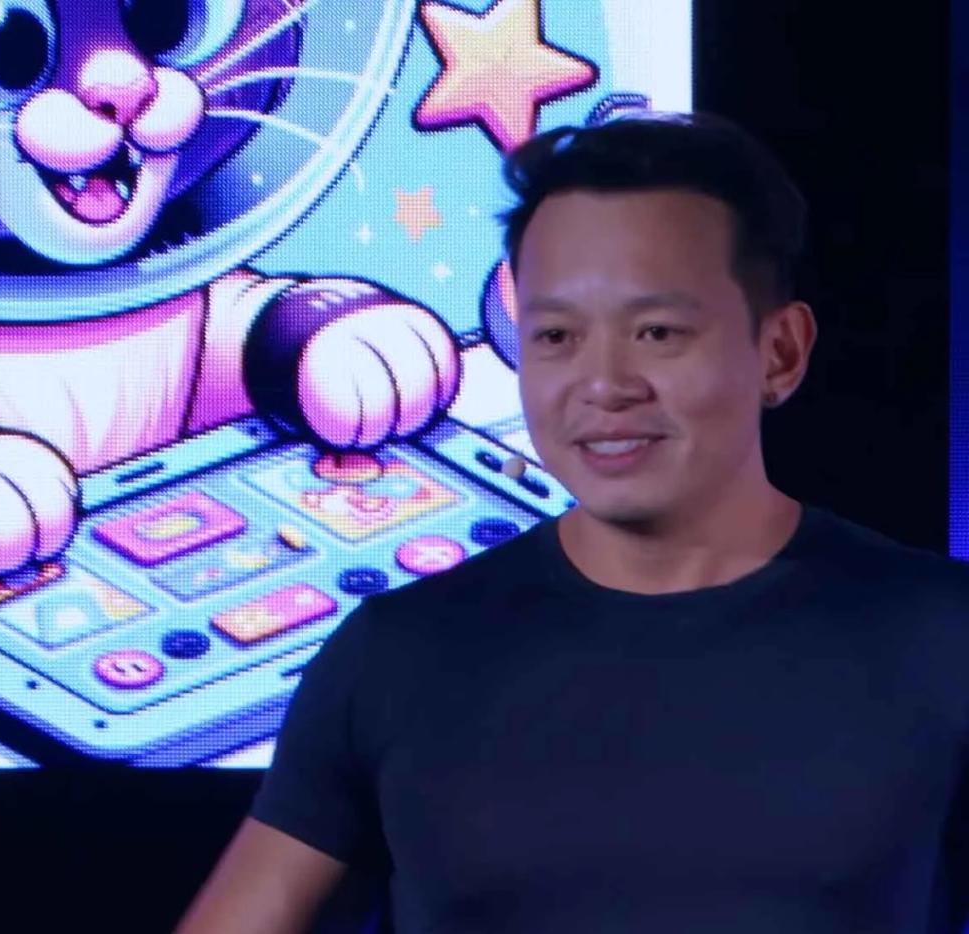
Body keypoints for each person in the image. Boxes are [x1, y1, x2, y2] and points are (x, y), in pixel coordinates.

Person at [173, 112, 969, 934]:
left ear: (781, 353)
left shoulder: (939, 635)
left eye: (657, 332)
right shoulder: (395, 654)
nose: (604, 384)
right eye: (556, 336)